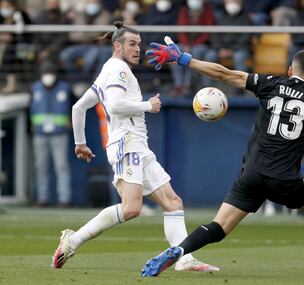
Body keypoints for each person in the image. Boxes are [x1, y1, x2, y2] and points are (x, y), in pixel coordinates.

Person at [141, 36, 304, 276]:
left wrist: (183, 59)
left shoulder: (269, 82)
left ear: (289, 70)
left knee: (220, 226)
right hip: (285, 179)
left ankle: (179, 250)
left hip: (252, 174)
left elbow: (224, 74)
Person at [51, 22, 218, 273]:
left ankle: (184, 259)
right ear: (117, 46)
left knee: (173, 202)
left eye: (139, 44)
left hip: (137, 145)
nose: (138, 49)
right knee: (132, 208)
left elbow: (78, 108)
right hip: (127, 143)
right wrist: (147, 106)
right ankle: (72, 240)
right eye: (132, 43)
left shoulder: (109, 69)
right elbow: (116, 106)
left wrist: (80, 143)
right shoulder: (118, 69)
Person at [30, 61, 72, 207]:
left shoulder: (65, 88)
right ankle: (42, 198)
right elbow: (31, 108)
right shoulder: (35, 88)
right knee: (40, 166)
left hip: (59, 133)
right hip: (40, 133)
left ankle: (64, 199)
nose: (48, 77)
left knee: (61, 166)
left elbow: (74, 106)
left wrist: (70, 121)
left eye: (50, 73)